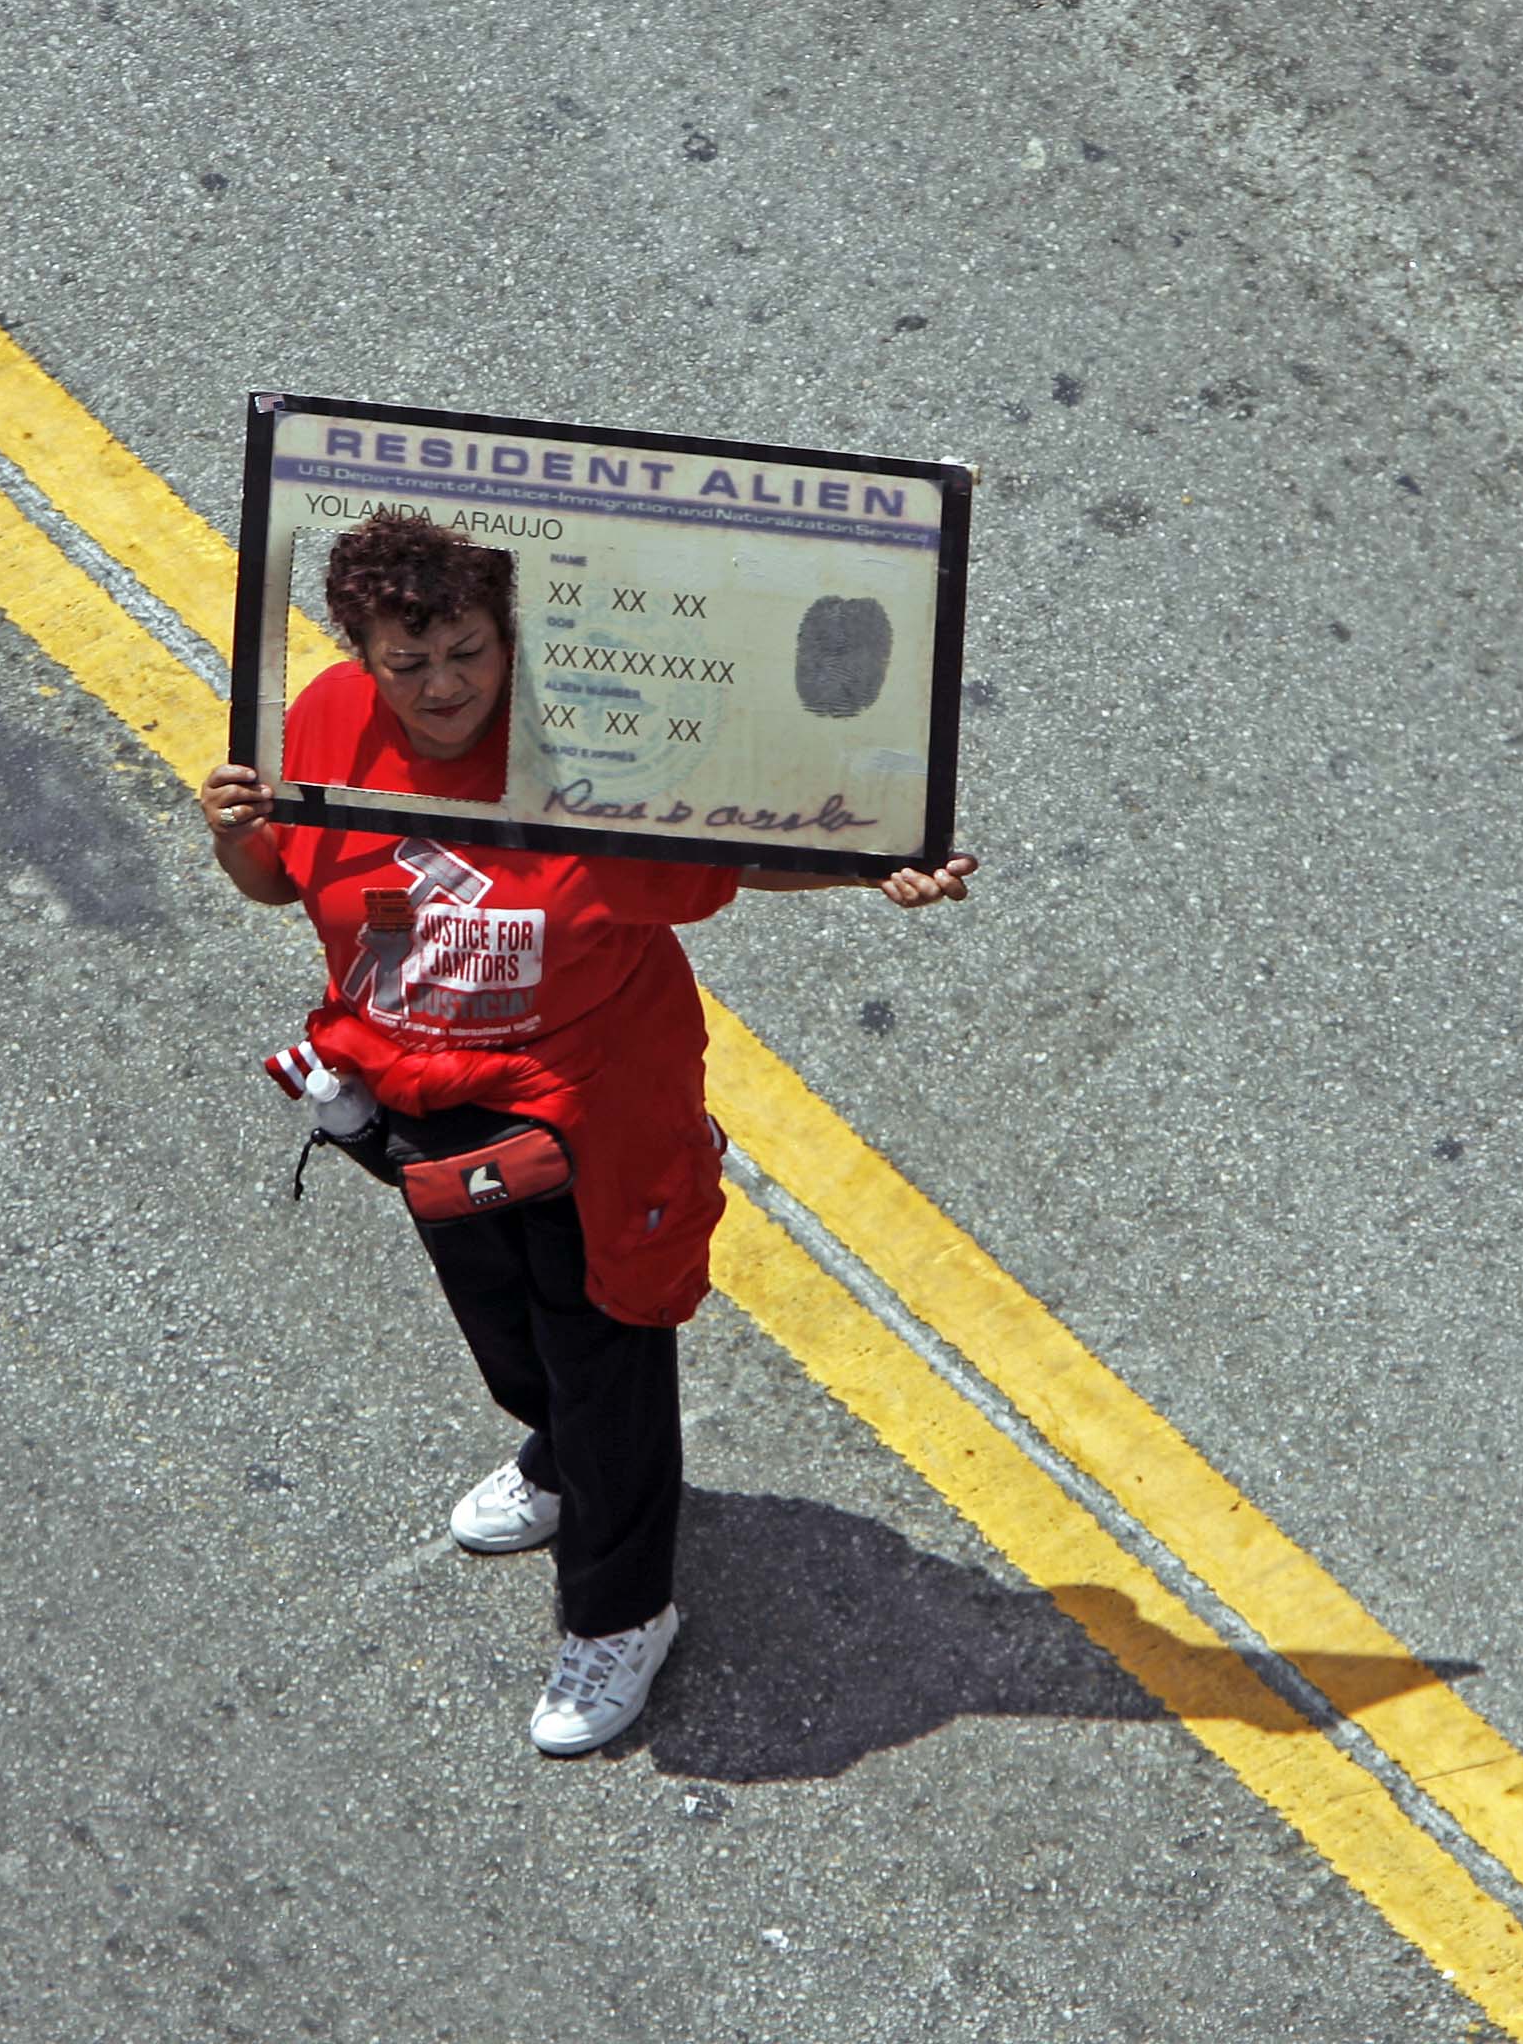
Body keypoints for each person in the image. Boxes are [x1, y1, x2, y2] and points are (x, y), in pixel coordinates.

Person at [200, 510, 975, 1755]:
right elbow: (279, 877)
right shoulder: (327, 720)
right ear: (357, 652)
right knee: (503, 1329)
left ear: (510, 636)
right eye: (410, 663)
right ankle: (557, 1459)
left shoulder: (593, 747)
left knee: (606, 1353)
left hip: (588, 1114)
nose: (443, 685)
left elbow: (735, 851)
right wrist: (231, 826)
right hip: (421, 1105)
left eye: (467, 651)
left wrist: (875, 858)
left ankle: (621, 1605)